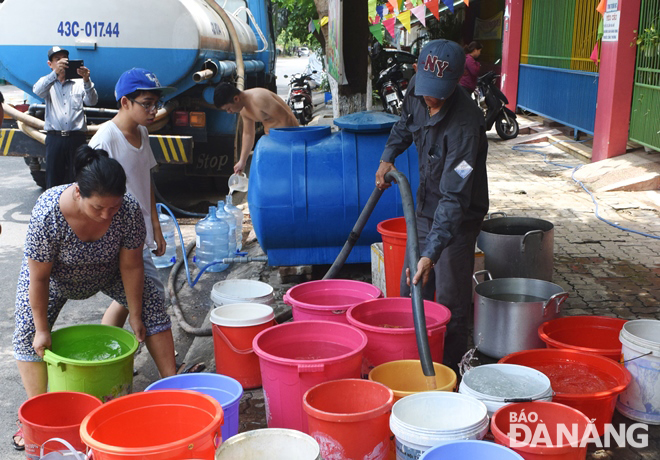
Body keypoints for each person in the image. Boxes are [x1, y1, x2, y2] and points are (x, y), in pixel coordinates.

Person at [12, 146, 176, 450]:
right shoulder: (48, 213)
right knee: (26, 334)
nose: (106, 215)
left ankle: (175, 386)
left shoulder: (126, 209)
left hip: (107, 271)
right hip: (55, 279)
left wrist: (136, 314)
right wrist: (42, 328)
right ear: (78, 192)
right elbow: (39, 277)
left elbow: (131, 265)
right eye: (98, 208)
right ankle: (37, 418)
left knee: (152, 303)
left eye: (112, 208)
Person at [375, 39, 489, 372]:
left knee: (451, 300)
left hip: (459, 215)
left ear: (456, 83)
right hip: (424, 206)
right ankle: (412, 362)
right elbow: (403, 125)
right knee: (412, 283)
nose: (430, 97)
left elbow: (454, 199)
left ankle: (450, 372)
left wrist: (431, 253)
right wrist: (387, 157)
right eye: (426, 88)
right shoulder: (417, 87)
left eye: (439, 92)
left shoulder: (467, 125)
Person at [89, 68, 175, 332]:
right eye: (147, 104)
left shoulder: (142, 133)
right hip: (118, 234)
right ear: (125, 102)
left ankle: (108, 349)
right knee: (149, 294)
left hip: (138, 231)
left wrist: (155, 227)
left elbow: (144, 180)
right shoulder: (105, 139)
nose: (153, 111)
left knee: (130, 296)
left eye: (156, 104)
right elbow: (93, 198)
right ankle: (167, 362)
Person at [33, 46, 98, 188]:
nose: (62, 62)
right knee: (53, 177)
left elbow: (92, 101)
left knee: (78, 178)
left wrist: (86, 80)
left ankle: (77, 209)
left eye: (64, 59)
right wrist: (54, 74)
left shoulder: (80, 83)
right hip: (55, 138)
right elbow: (37, 91)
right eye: (57, 59)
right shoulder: (46, 82)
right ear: (50, 64)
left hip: (76, 138)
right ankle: (54, 208)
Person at [214, 83, 299, 174]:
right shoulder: (243, 110)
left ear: (236, 99)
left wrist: (286, 147)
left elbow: (286, 118)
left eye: (228, 108)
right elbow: (248, 134)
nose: (229, 112)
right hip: (273, 141)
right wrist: (242, 161)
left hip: (288, 139)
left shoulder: (259, 98)